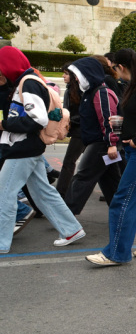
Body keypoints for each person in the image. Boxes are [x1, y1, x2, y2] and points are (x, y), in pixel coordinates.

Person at [85, 48, 136, 265]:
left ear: (121, 66)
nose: (113, 72)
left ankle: (116, 253)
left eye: (113, 67)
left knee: (122, 200)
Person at [0, 47, 86, 255]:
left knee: (4, 194)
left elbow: (37, 119)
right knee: (43, 193)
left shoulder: (27, 83)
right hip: (28, 147)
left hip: (22, 147)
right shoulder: (28, 80)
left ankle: (2, 243)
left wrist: (5, 125)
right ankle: (71, 229)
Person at [63, 56, 123, 215]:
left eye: (78, 74)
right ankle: (122, 213)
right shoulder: (91, 92)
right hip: (101, 143)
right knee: (111, 182)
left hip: (101, 144)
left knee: (83, 178)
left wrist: (112, 143)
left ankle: (66, 217)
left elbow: (109, 118)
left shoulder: (100, 92)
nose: (75, 78)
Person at [55, 63, 84, 198]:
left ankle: (61, 193)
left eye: (66, 73)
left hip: (81, 131)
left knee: (69, 162)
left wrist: (72, 120)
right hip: (78, 130)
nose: (63, 76)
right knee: (103, 163)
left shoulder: (80, 90)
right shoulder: (69, 90)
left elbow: (84, 112)